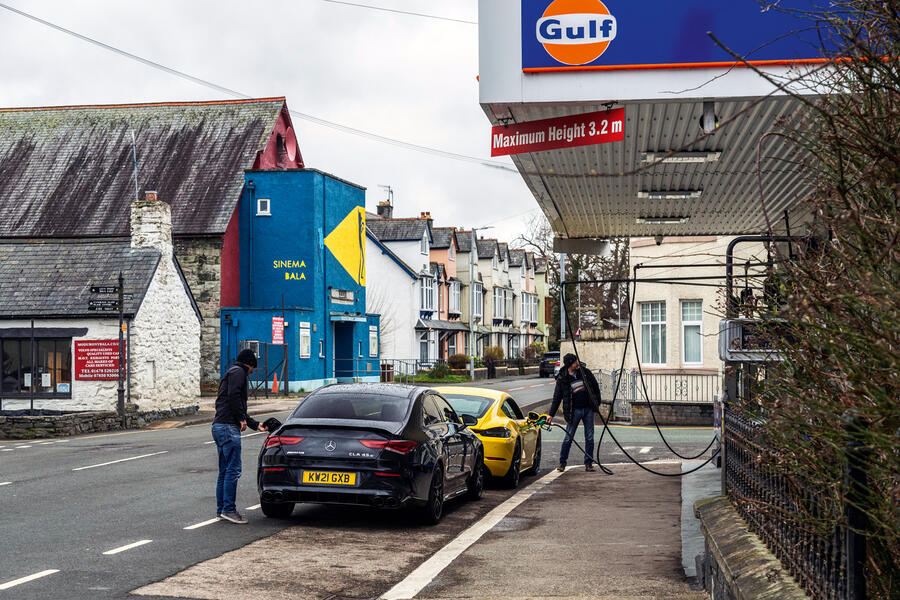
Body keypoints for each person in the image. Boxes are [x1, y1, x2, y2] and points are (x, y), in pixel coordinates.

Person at [212, 349, 267, 524]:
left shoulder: (231, 372)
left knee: (225, 471)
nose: (251, 373)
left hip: (220, 425)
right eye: (252, 369)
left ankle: (222, 510)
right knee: (233, 470)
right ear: (249, 364)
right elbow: (234, 396)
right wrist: (241, 418)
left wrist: (253, 423)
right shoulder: (239, 373)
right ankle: (229, 510)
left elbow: (230, 401)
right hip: (228, 427)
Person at [548, 353, 601, 472]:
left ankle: (589, 463)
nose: (577, 363)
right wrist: (551, 414)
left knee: (590, 437)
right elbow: (557, 397)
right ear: (570, 364)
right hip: (573, 411)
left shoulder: (585, 373)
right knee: (568, 438)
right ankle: (562, 463)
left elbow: (595, 386)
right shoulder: (563, 378)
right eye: (575, 362)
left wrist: (597, 403)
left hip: (588, 409)